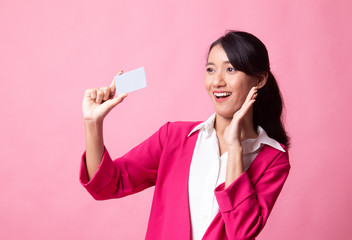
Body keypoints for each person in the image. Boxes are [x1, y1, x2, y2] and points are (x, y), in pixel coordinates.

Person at [80, 31, 290, 240]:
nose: (217, 81)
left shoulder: (273, 159)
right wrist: (93, 123)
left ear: (260, 80)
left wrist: (235, 147)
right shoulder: (174, 137)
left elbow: (241, 233)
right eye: (210, 69)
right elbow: (105, 186)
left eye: (230, 69)